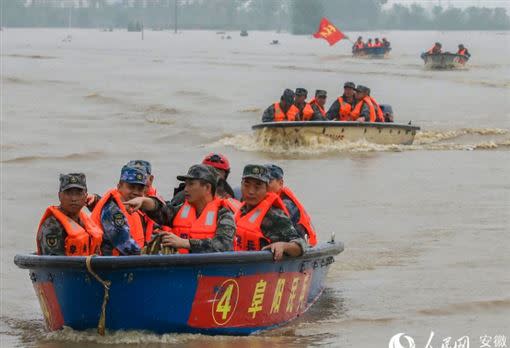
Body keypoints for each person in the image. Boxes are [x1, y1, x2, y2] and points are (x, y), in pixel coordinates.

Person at [124, 164, 236, 254]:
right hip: (183, 270)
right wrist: (144, 201)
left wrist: (185, 243)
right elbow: (163, 212)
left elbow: (223, 246)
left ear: (207, 188)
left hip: (208, 274)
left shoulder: (224, 214)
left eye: (191, 184)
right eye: (185, 184)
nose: (186, 189)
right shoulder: (181, 210)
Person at [234, 164, 307, 261]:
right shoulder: (240, 212)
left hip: (263, 269)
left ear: (266, 189)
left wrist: (283, 246)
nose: (251, 191)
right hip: (238, 265)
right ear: (241, 185)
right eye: (246, 185)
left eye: (257, 187)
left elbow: (300, 245)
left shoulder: (276, 216)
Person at [37, 173, 103, 256]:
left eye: (78, 194)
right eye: (68, 193)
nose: (73, 199)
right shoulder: (52, 226)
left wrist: (96, 199)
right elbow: (53, 264)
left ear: (86, 196)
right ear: (59, 196)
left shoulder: (85, 223)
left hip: (88, 268)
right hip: (65, 268)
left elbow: (108, 209)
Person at [91, 165, 151, 255]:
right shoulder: (112, 210)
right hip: (109, 264)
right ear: (119, 186)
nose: (136, 192)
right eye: (131, 187)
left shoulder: (132, 207)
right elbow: (125, 245)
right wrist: (149, 254)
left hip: (129, 261)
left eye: (140, 189)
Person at [265, 164, 317, 246]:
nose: (265, 185)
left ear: (280, 183)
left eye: (269, 182)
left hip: (298, 247)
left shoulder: (287, 205)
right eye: (262, 182)